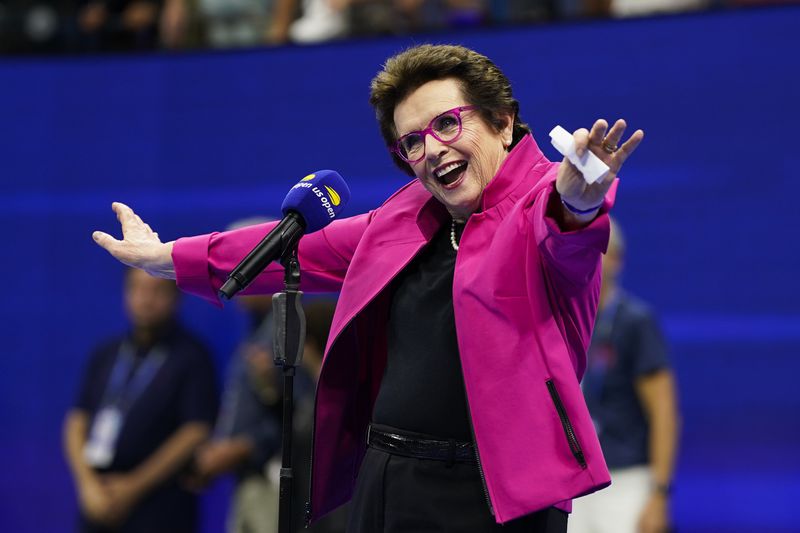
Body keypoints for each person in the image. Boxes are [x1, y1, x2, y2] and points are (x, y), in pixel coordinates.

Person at [92, 44, 644, 532]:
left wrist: (579, 200)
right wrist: (166, 258)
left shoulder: (539, 205)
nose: (431, 150)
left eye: (447, 124)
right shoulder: (401, 221)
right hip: (389, 480)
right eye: (411, 142)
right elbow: (286, 251)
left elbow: (569, 236)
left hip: (499, 498)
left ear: (502, 122)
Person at [63, 268, 218, 533]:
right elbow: (77, 420)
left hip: (159, 505)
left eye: (157, 291)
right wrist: (87, 485)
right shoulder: (107, 353)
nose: (146, 299)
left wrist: (133, 487)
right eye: (138, 289)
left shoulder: (192, 357)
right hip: (99, 500)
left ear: (176, 297)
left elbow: (196, 430)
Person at [568, 218, 680, 533]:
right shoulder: (560, 319)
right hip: (570, 483)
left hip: (626, 480)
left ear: (616, 259)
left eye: (595, 250)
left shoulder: (635, 322)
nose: (585, 259)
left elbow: (663, 412)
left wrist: (659, 494)